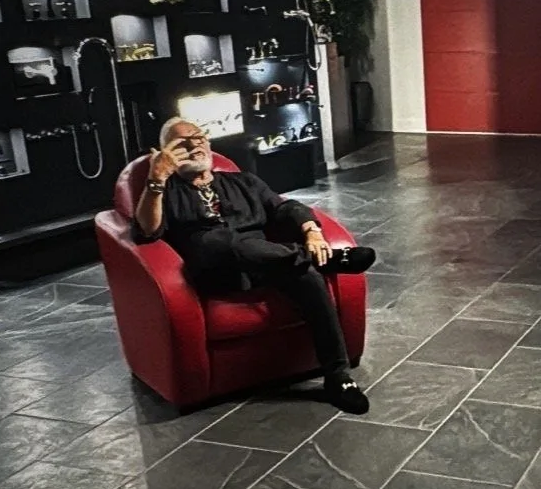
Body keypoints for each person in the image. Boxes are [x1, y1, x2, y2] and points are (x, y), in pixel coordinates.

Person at [135, 118, 377, 412]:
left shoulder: (243, 181)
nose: (194, 145)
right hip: (218, 272)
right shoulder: (167, 190)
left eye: (198, 137)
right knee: (217, 241)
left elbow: (285, 207)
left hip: (268, 262)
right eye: (181, 143)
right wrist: (156, 177)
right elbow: (147, 230)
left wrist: (312, 231)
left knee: (308, 277)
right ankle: (313, 258)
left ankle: (338, 376)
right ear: (166, 153)